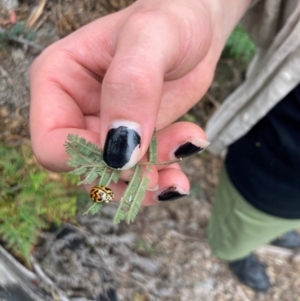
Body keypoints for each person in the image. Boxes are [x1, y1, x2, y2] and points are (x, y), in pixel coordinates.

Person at [29, 0, 300, 293]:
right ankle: (234, 254)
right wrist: (202, 10)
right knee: (236, 230)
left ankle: (266, 236)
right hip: (269, 170)